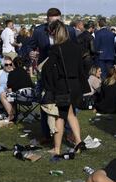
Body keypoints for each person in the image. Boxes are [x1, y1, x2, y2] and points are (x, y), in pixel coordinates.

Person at [27, 7, 76, 144]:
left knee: (67, 103)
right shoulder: (38, 31)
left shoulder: (69, 30)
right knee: (46, 101)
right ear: (47, 20)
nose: (54, 25)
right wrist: (30, 52)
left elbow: (76, 49)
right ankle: (46, 133)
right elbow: (29, 46)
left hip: (64, 72)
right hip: (46, 71)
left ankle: (68, 132)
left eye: (57, 22)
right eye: (51, 22)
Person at [42, 20, 90, 156]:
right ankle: (79, 142)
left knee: (60, 117)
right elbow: (82, 68)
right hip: (75, 85)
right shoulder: (76, 46)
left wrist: (49, 86)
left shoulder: (56, 49)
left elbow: (49, 70)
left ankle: (57, 148)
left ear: (54, 33)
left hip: (63, 85)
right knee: (71, 114)